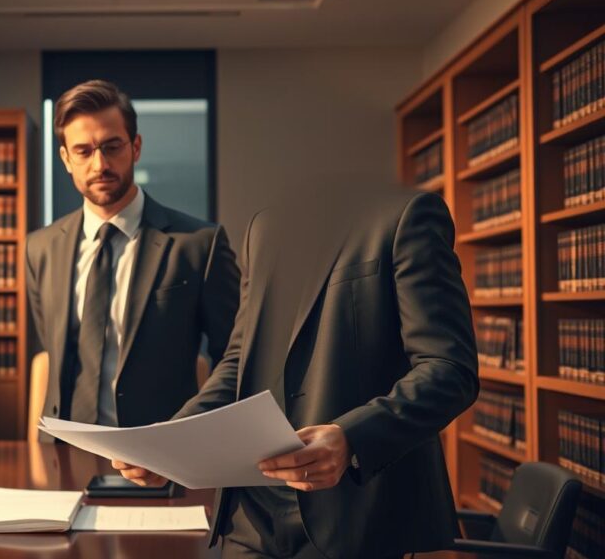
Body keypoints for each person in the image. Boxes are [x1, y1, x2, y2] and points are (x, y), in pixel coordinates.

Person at [114, 177, 479, 559]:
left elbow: (449, 368)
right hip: (249, 519)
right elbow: (239, 362)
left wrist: (351, 437)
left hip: (355, 516)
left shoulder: (410, 215)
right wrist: (171, 439)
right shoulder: (263, 228)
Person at [26, 79, 240, 440]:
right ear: (65, 158)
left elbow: (236, 356)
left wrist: (188, 432)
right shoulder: (40, 248)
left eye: (112, 147)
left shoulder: (198, 244)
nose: (100, 164)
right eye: (83, 151)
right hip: (63, 451)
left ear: (135, 146)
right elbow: (56, 351)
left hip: (162, 453)